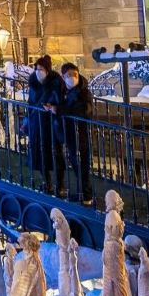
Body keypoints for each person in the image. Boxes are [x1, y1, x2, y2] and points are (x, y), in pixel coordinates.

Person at [24, 56, 66, 195]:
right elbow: (31, 102)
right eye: (36, 69)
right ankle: (46, 182)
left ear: (47, 70)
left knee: (55, 153)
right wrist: (28, 119)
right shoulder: (34, 82)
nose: (38, 71)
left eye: (41, 69)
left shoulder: (55, 82)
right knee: (40, 153)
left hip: (51, 123)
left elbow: (59, 99)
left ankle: (60, 184)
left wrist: (52, 106)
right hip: (37, 122)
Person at [59, 62, 93, 202]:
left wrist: (62, 110)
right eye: (69, 75)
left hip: (80, 133)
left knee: (82, 164)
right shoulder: (63, 90)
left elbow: (85, 110)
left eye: (74, 74)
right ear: (63, 76)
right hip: (70, 132)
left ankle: (85, 195)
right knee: (75, 163)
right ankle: (82, 193)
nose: (72, 77)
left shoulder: (83, 91)